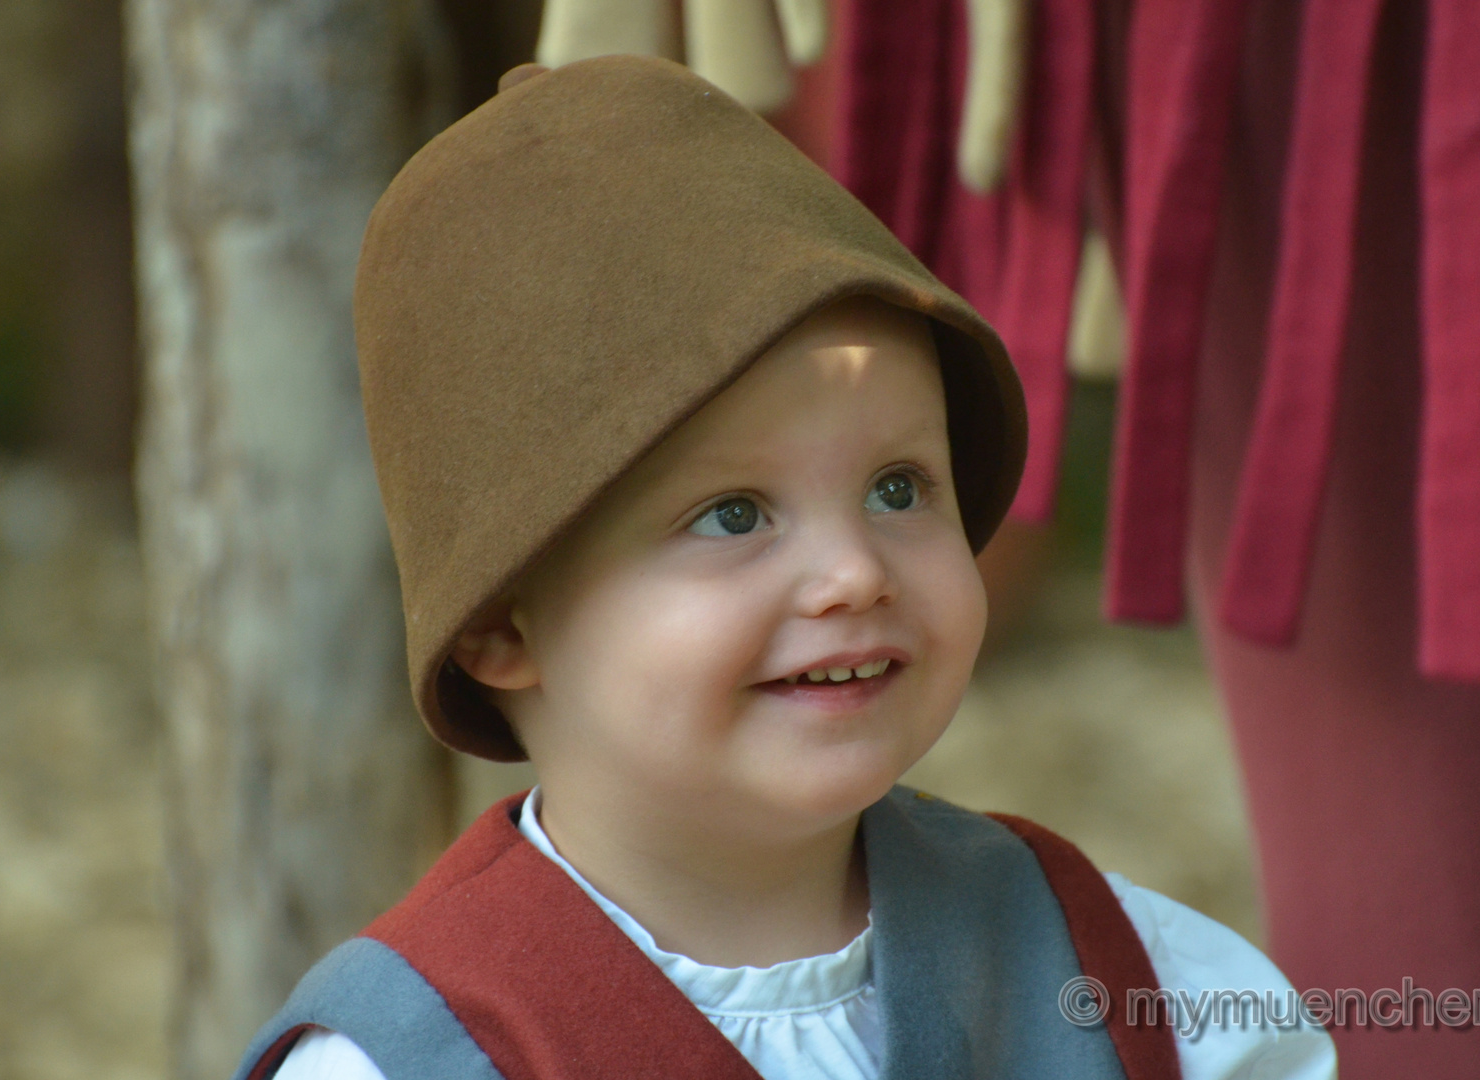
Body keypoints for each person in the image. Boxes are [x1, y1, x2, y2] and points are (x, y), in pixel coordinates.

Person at [233, 56, 1335, 1080]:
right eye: (730, 514)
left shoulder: (1122, 972)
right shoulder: (413, 1059)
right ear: (501, 628)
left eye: (898, 489)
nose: (852, 571)